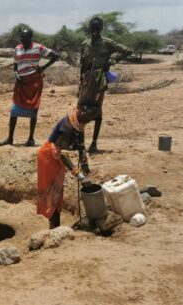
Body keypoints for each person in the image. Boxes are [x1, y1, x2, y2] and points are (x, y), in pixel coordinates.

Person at [37, 100, 100, 229]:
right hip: (48, 158)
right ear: (82, 111)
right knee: (52, 192)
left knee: (58, 191)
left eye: (91, 120)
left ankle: (56, 226)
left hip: (57, 158)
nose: (88, 122)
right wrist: (80, 175)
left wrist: (84, 164)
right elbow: (63, 154)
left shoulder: (78, 124)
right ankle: (54, 227)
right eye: (88, 118)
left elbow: (81, 146)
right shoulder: (67, 126)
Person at [78, 16, 133, 153]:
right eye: (92, 28)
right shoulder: (85, 44)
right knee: (80, 109)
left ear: (101, 29)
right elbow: (82, 64)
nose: (95, 31)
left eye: (97, 29)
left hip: (99, 80)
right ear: (89, 29)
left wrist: (112, 60)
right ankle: (80, 143)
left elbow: (127, 51)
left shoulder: (107, 43)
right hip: (86, 80)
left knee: (97, 109)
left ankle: (94, 143)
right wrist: (80, 81)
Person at [0, 28, 60, 147]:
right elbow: (16, 64)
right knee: (14, 110)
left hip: (34, 82)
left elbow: (56, 56)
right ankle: (10, 138)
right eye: (21, 37)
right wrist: (16, 73)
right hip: (21, 82)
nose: (23, 39)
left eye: (25, 37)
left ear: (31, 38)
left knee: (33, 109)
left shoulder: (38, 47)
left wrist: (43, 68)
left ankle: (31, 138)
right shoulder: (17, 48)